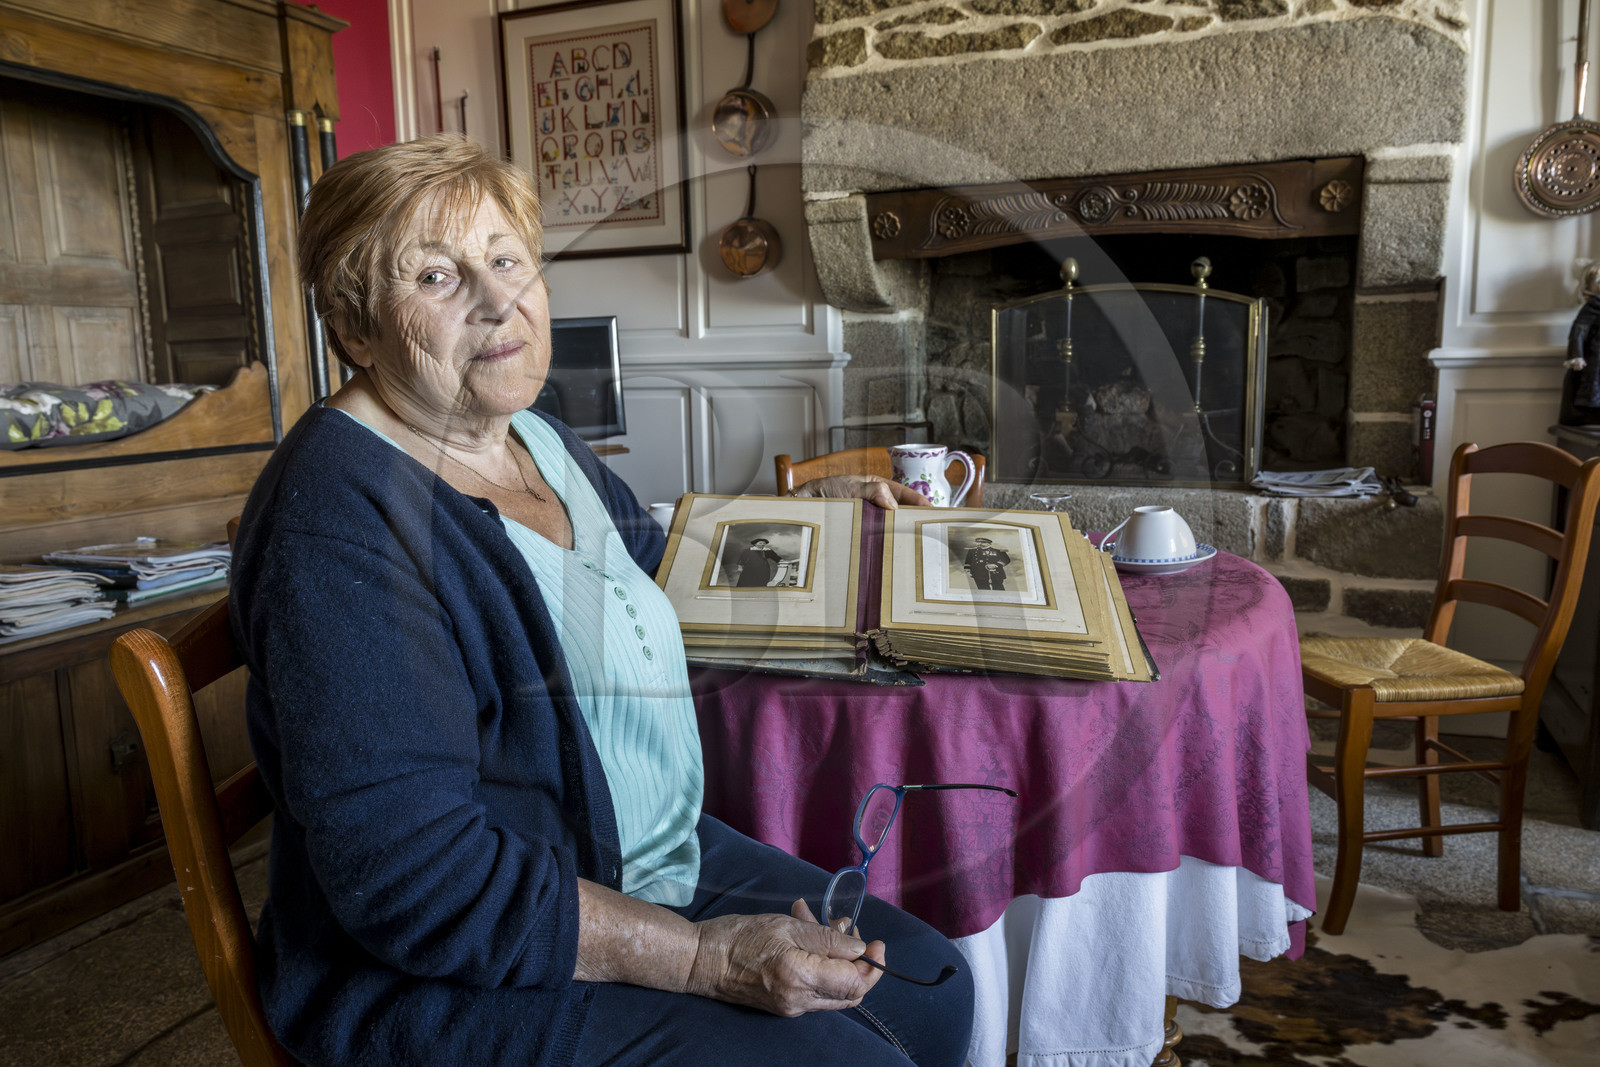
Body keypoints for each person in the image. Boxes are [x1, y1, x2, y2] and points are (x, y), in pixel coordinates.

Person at [229, 135, 967, 1066]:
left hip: (630, 854)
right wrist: (703, 957)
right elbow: (416, 881)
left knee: (935, 993)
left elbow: (657, 576)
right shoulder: (339, 526)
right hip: (445, 963)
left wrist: (812, 525)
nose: (498, 301)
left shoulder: (531, 436)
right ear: (354, 329)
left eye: (505, 260)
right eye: (436, 277)